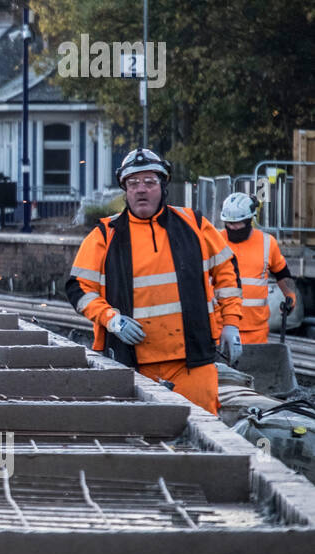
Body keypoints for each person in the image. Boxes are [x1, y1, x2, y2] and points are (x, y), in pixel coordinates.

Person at [64, 148, 242, 415]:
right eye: (133, 183)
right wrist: (111, 318)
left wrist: (231, 324)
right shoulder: (105, 235)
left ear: (163, 185)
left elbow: (227, 271)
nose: (141, 189)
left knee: (203, 435)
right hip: (131, 363)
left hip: (192, 362)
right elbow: (78, 288)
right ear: (125, 189)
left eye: (149, 182)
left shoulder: (194, 224)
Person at [218, 191, 298, 343]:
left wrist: (290, 295)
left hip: (256, 332)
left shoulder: (267, 243)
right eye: (228, 223)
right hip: (221, 328)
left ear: (249, 220)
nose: (232, 228)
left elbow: (282, 274)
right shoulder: (215, 241)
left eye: (237, 223)